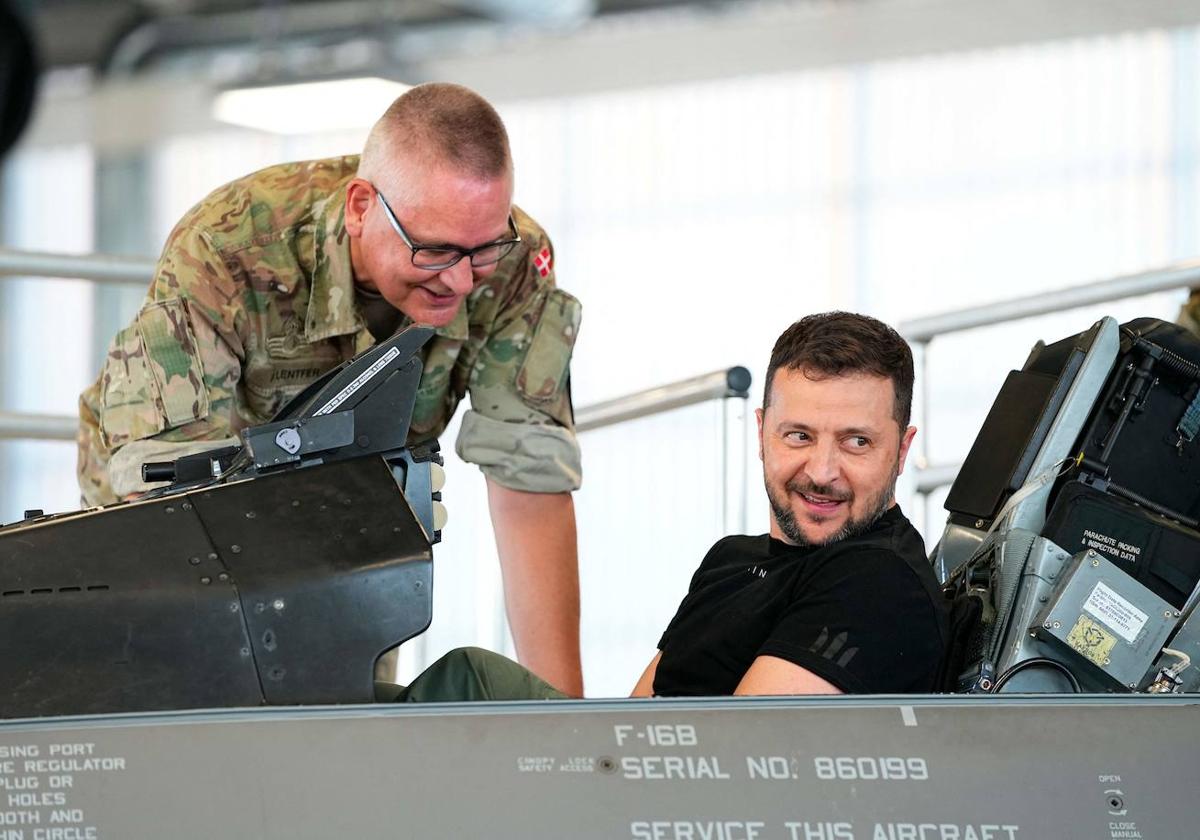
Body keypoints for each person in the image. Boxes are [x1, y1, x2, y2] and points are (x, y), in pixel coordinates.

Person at [76, 83, 585, 697]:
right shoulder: (228, 251)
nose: (459, 278)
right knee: (199, 696)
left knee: (354, 716)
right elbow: (170, 504)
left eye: (482, 251)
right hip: (185, 493)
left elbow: (528, 483)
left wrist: (564, 729)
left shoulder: (514, 263)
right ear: (360, 207)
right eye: (434, 250)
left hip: (355, 509)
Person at [385, 312, 948, 702]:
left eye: (856, 442)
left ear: (902, 450)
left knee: (465, 683)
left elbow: (738, 760)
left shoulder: (878, 580)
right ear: (761, 433)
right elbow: (637, 720)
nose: (823, 471)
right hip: (629, 792)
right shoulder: (731, 560)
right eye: (798, 436)